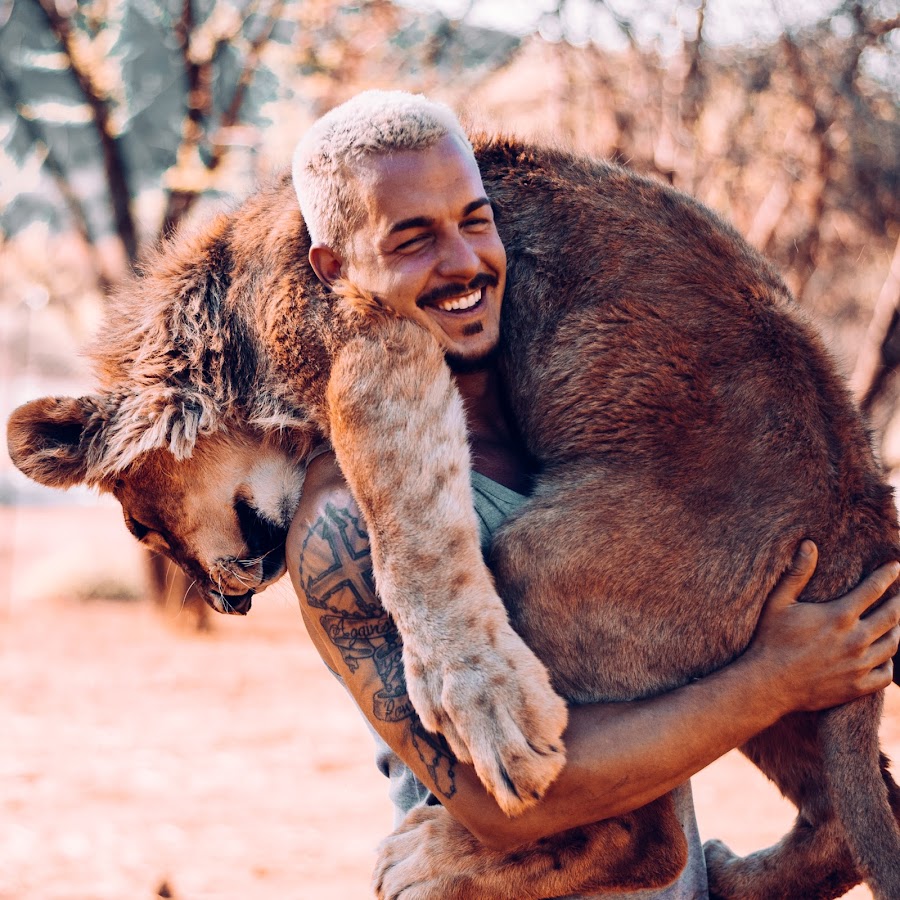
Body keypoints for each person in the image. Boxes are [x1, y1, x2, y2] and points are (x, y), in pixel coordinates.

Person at [285, 90, 900, 898]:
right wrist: (777, 679)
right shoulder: (343, 523)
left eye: (476, 220)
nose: (465, 262)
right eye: (413, 239)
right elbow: (515, 812)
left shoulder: (598, 451)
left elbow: (657, 813)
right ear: (335, 268)